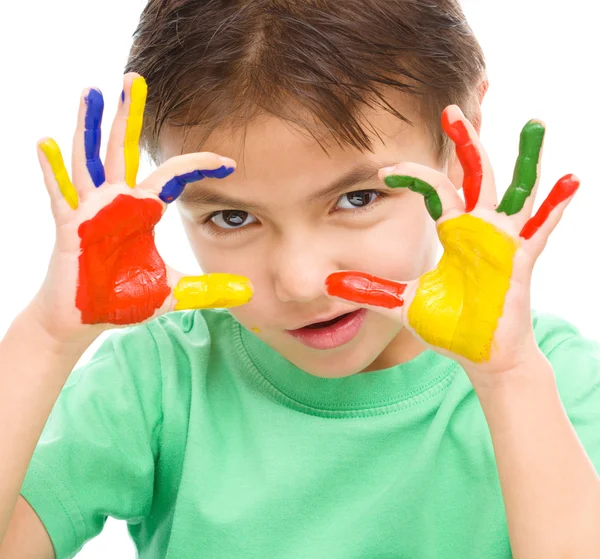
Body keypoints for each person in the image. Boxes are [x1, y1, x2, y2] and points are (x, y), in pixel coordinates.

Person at [1, 0, 599, 557]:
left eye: (358, 198)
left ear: (461, 130)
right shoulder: (159, 380)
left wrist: (509, 379)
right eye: (232, 218)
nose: (301, 281)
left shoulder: (553, 381)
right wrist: (48, 337)